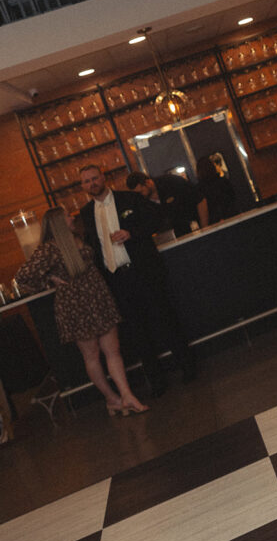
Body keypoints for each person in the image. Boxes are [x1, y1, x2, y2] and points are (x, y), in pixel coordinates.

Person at [15, 208, 148, 416]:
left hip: (97, 295)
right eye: (68, 216)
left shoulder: (79, 238)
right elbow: (23, 276)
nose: (72, 217)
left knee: (113, 350)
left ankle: (127, 395)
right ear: (59, 222)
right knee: (92, 355)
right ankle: (112, 398)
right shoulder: (49, 249)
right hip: (74, 303)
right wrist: (48, 280)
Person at [78, 164, 196, 396]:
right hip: (117, 279)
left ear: (103, 177)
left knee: (164, 320)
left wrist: (131, 233)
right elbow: (92, 246)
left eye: (94, 178)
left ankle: (188, 366)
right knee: (137, 333)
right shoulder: (85, 213)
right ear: (83, 186)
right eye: (86, 181)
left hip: (143, 271)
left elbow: (156, 219)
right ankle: (156, 380)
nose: (92, 183)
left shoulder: (129, 199)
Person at [125, 170, 208, 236]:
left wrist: (205, 229)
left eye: (141, 191)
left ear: (148, 183)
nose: (141, 195)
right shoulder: (143, 202)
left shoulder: (171, 182)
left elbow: (200, 200)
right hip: (176, 238)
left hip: (196, 227)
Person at [195, 155, 237, 224]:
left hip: (213, 222)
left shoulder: (199, 188)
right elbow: (232, 199)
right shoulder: (224, 181)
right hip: (231, 217)